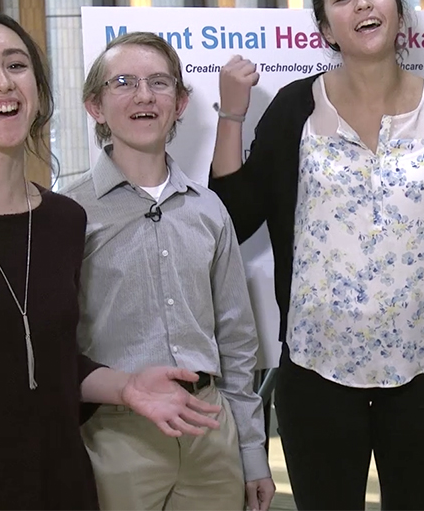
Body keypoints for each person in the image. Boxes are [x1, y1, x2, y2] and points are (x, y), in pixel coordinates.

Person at [208, 0, 424, 511]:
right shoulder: (295, 109)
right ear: (324, 28)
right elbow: (232, 221)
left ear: (399, 11)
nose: (362, 4)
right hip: (316, 374)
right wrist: (231, 116)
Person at [0, 14, 221, 510]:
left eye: (16, 64)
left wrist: (127, 386)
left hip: (57, 483)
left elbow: (50, 363)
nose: (2, 81)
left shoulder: (63, 221)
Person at [65, 32, 275, 511]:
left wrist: (249, 448)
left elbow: (237, 339)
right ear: (95, 106)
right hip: (114, 431)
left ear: (180, 103)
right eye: (124, 83)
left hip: (209, 426)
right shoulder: (69, 213)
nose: (143, 96)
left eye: (159, 83)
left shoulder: (209, 210)